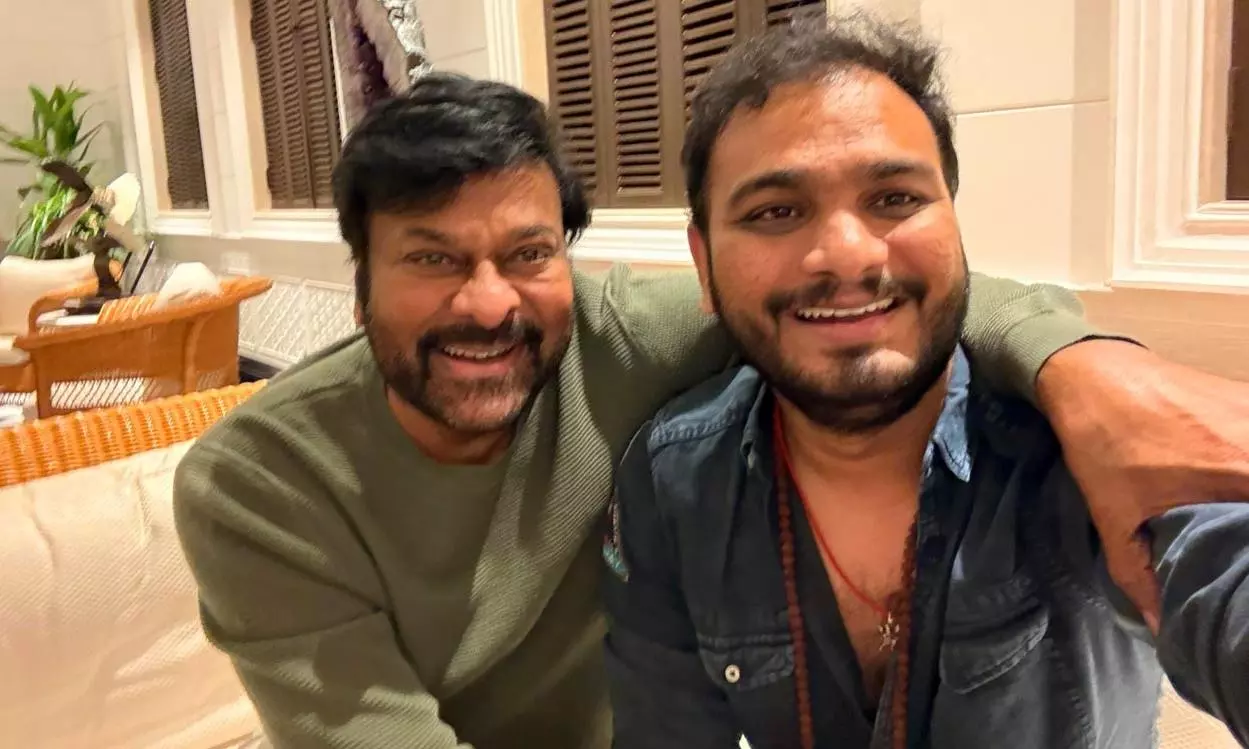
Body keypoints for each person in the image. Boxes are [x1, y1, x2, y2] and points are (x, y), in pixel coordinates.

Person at [172, 71, 1249, 749]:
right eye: (432, 259)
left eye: (528, 253)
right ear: (360, 280)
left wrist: (1086, 371)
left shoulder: (615, 339)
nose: (490, 303)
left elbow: (877, 303)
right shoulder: (257, 485)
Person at [601, 14, 1249, 749]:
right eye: (775, 212)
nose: (847, 254)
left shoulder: (1081, 443)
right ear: (703, 262)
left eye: (895, 199)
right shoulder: (674, 480)